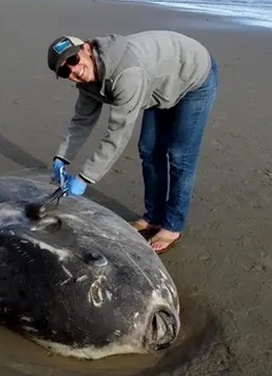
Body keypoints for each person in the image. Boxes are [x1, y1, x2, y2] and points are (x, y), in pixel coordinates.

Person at [46, 31, 219, 254]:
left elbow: (117, 134)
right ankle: (153, 218)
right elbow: (82, 121)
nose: (73, 70)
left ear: (87, 49)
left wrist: (83, 178)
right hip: (159, 83)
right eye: (64, 70)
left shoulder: (127, 73)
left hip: (193, 75)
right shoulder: (86, 82)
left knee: (179, 155)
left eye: (73, 60)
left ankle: (173, 226)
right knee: (148, 149)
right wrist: (61, 158)